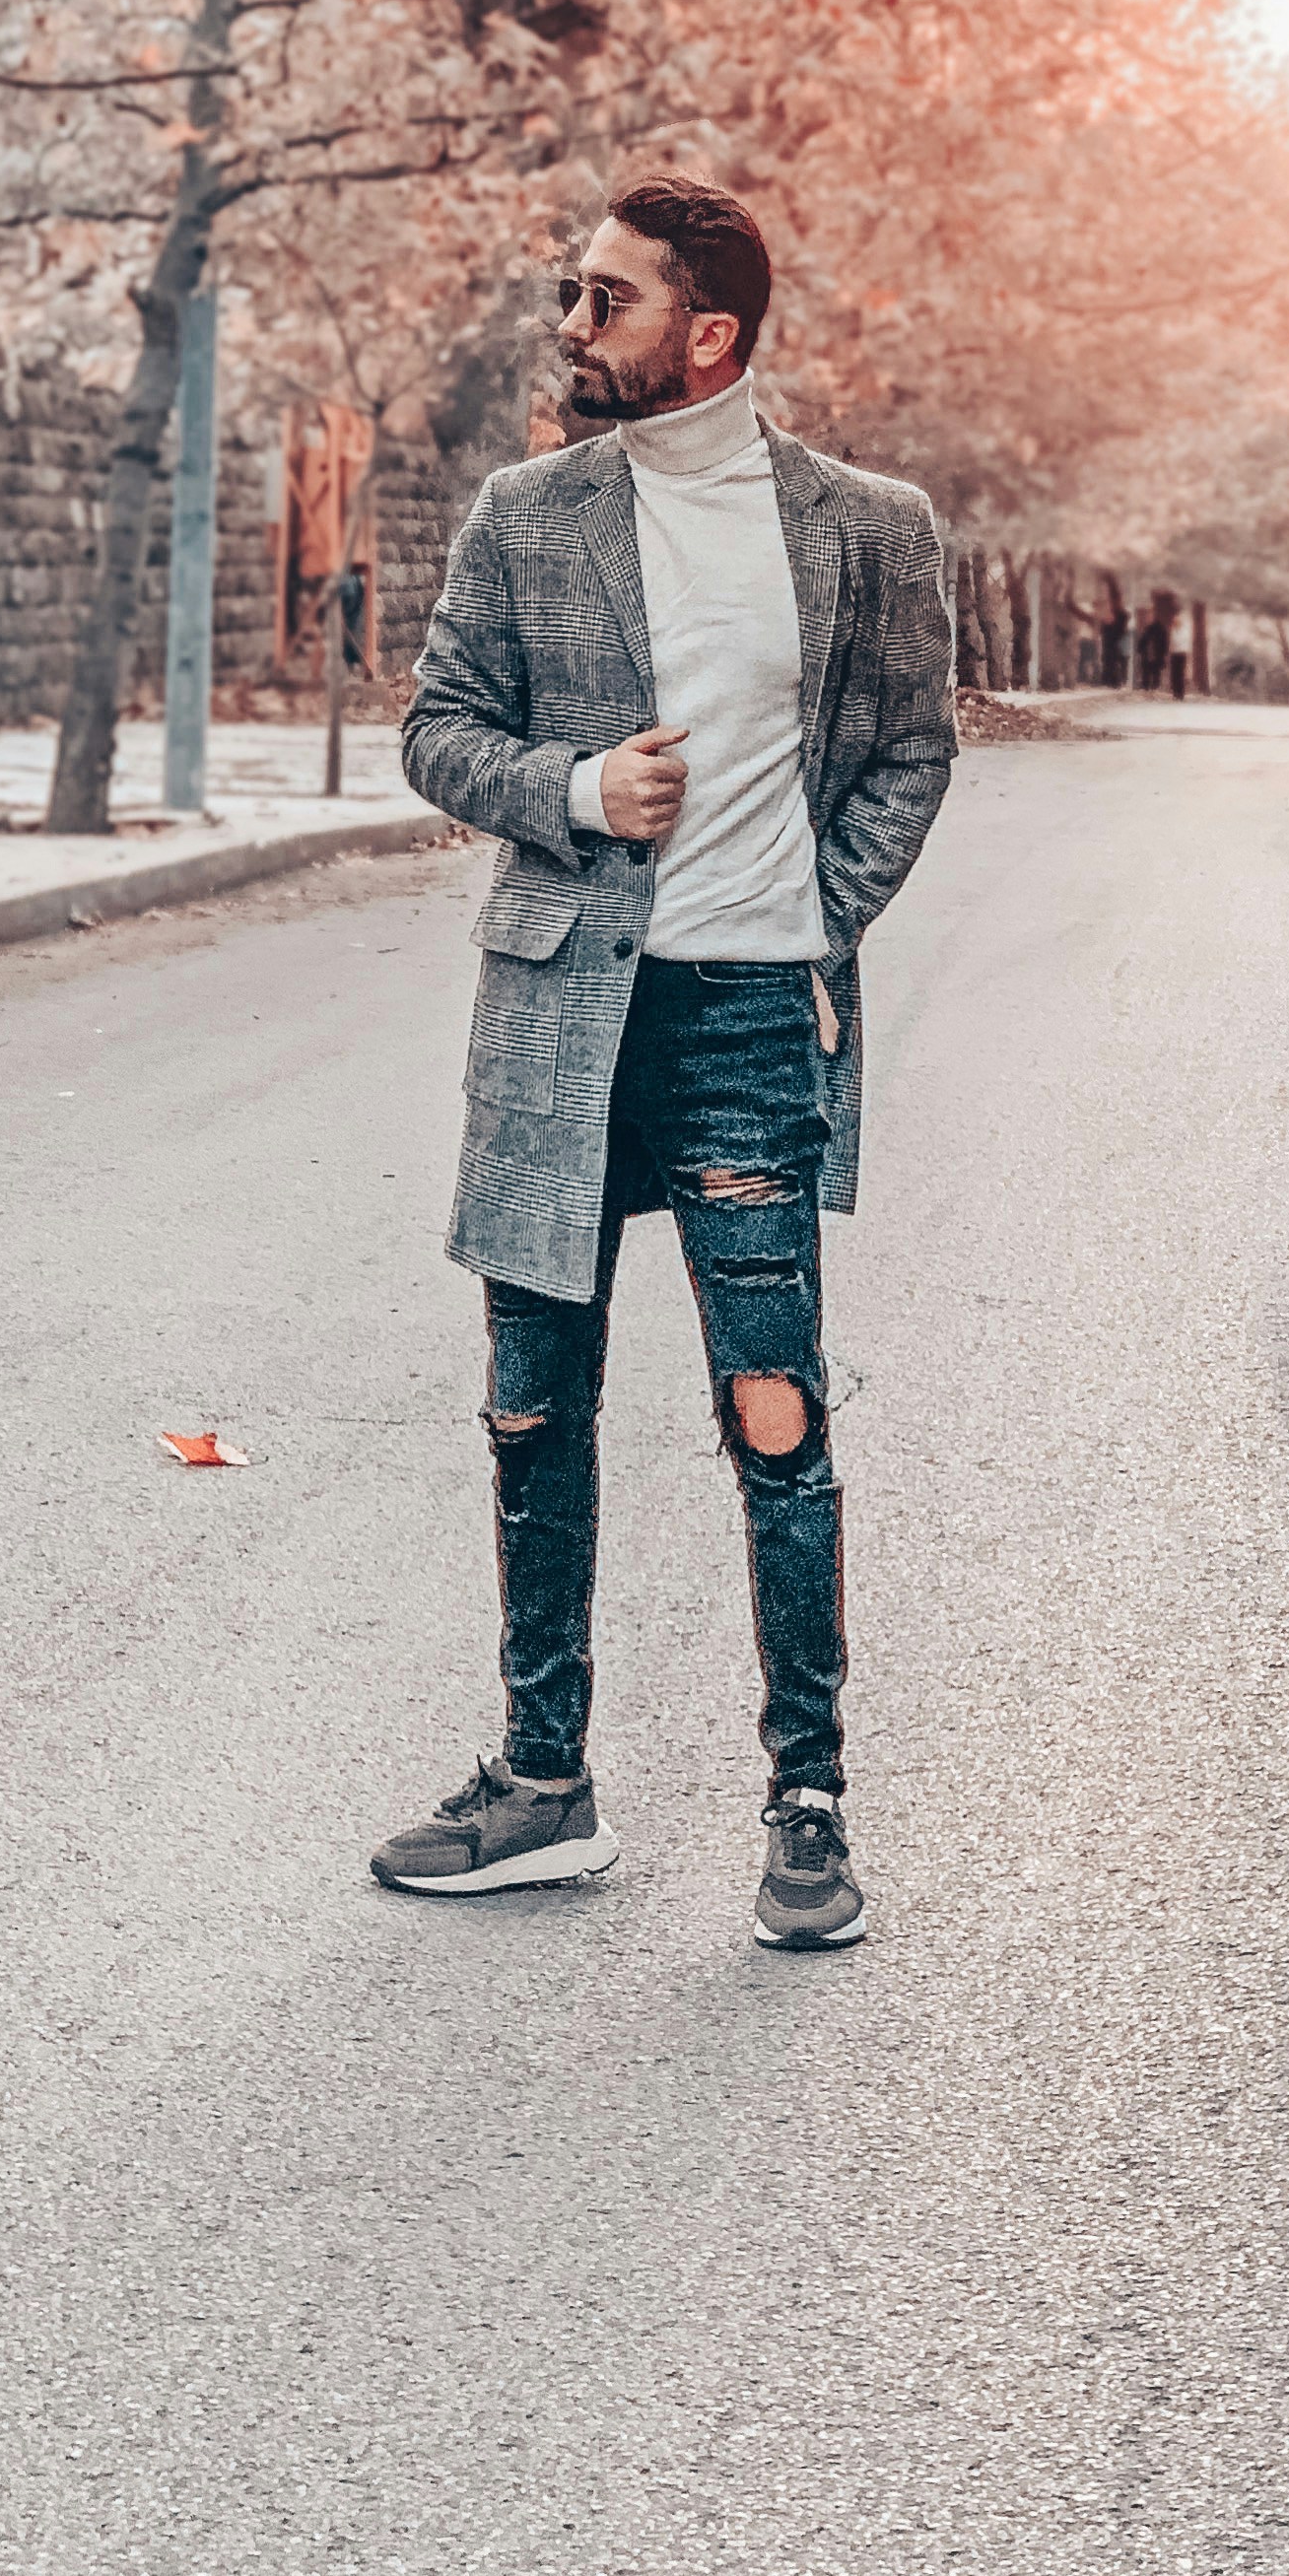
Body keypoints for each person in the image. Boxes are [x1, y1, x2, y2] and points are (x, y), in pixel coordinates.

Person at [373, 173, 955, 1947]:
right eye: (571, 290)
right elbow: (436, 729)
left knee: (773, 1417)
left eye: (605, 300)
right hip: (561, 1019)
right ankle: (544, 1781)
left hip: (746, 1031)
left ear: (709, 335)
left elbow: (915, 753)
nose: (572, 324)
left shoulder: (868, 527)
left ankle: (808, 1802)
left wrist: (818, 917)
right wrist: (568, 791)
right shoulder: (526, 517)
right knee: (533, 1411)